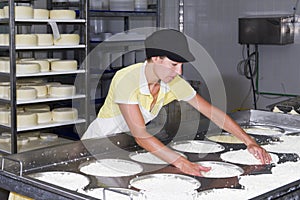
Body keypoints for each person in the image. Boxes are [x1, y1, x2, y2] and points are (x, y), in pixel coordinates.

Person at [82, 29, 271, 176]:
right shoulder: (127, 79)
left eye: (181, 66)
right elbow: (141, 135)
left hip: (127, 145)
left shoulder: (171, 82)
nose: (179, 72)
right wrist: (180, 161)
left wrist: (249, 141)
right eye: (174, 65)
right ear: (156, 59)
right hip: (98, 145)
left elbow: (211, 112)